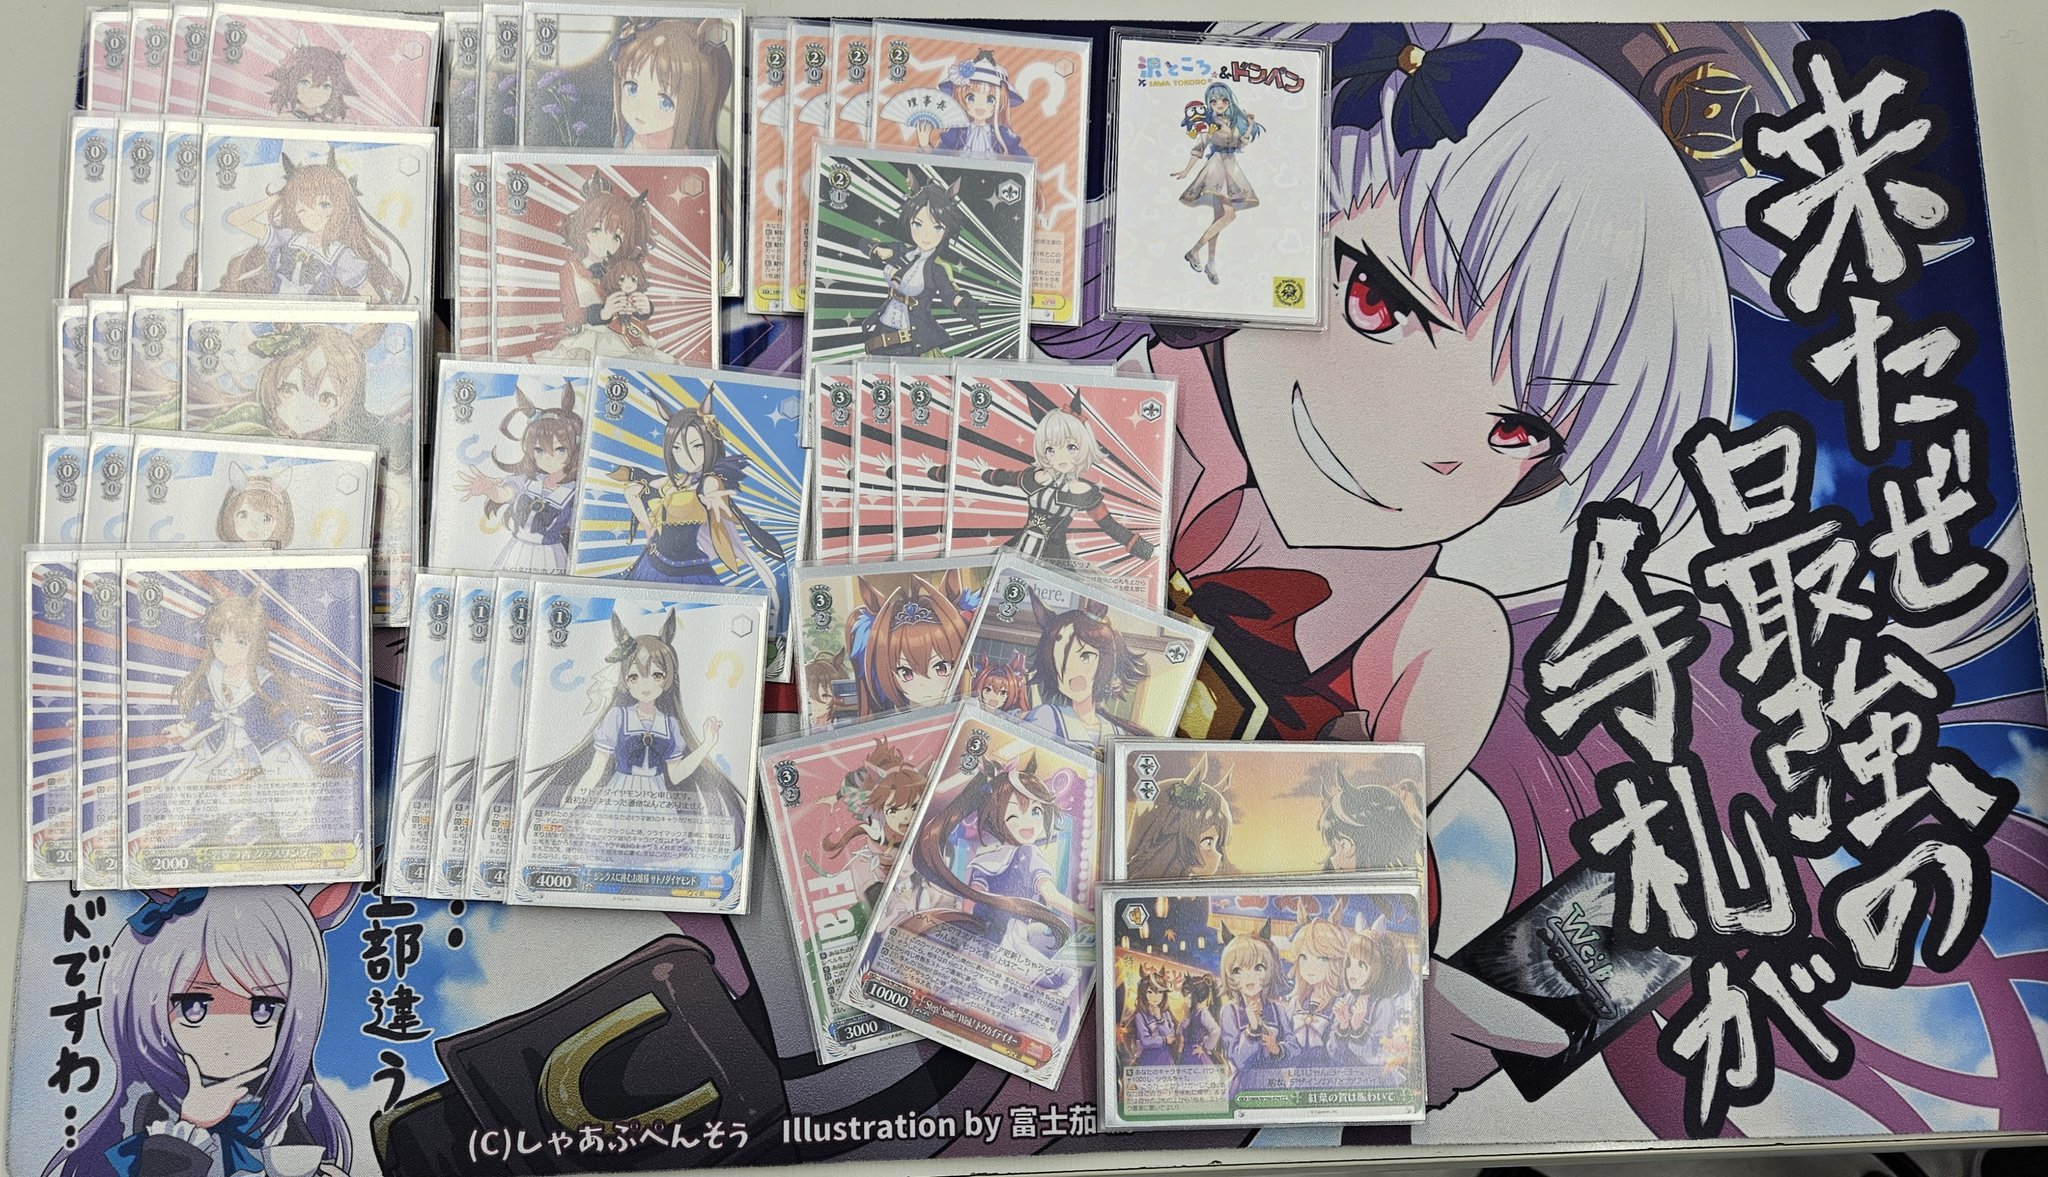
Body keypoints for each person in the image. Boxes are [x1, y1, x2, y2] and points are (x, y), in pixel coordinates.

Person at [47, 886, 358, 1177]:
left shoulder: (295, 1110)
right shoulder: (144, 1111)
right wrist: (188, 1128)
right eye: (193, 1006)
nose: (230, 1033)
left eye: (263, 1009)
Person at [860, 174, 980, 356]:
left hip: (910, 343)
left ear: (947, 230)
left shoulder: (936, 269)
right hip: (881, 334)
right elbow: (863, 243)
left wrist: (961, 302)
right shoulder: (901, 251)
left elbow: (949, 293)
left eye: (937, 228)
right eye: (918, 224)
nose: (926, 235)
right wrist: (877, 249)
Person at [1169, 81, 1262, 284]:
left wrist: (1250, 125)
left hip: (1231, 166)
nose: (1219, 104)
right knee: (1229, 215)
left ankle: (1211, 263)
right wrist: (1186, 170)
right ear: (1209, 104)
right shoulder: (1208, 124)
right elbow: (1200, 147)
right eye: (1214, 101)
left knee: (1219, 217)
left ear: (1228, 102)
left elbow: (1241, 143)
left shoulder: (1232, 121)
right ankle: (1194, 250)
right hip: (1217, 167)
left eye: (1223, 100)